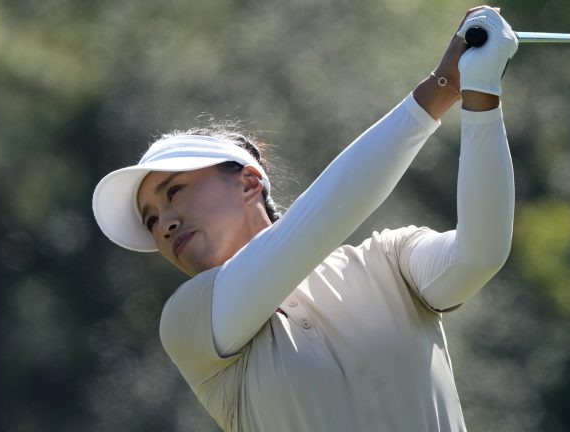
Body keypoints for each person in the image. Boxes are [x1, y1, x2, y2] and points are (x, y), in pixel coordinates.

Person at [92, 5, 517, 431]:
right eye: (150, 221)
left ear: (248, 183)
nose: (163, 225)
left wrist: (481, 94)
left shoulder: (388, 261)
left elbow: (479, 255)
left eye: (174, 192)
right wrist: (442, 89)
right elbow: (324, 217)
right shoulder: (188, 321)